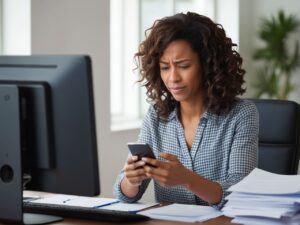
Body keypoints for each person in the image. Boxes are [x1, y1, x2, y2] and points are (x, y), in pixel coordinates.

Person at [114, 12, 258, 209]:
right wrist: (131, 180)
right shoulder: (157, 115)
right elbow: (126, 196)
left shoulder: (241, 114)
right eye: (165, 67)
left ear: (208, 66)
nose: (173, 78)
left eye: (183, 66)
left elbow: (240, 193)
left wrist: (188, 179)